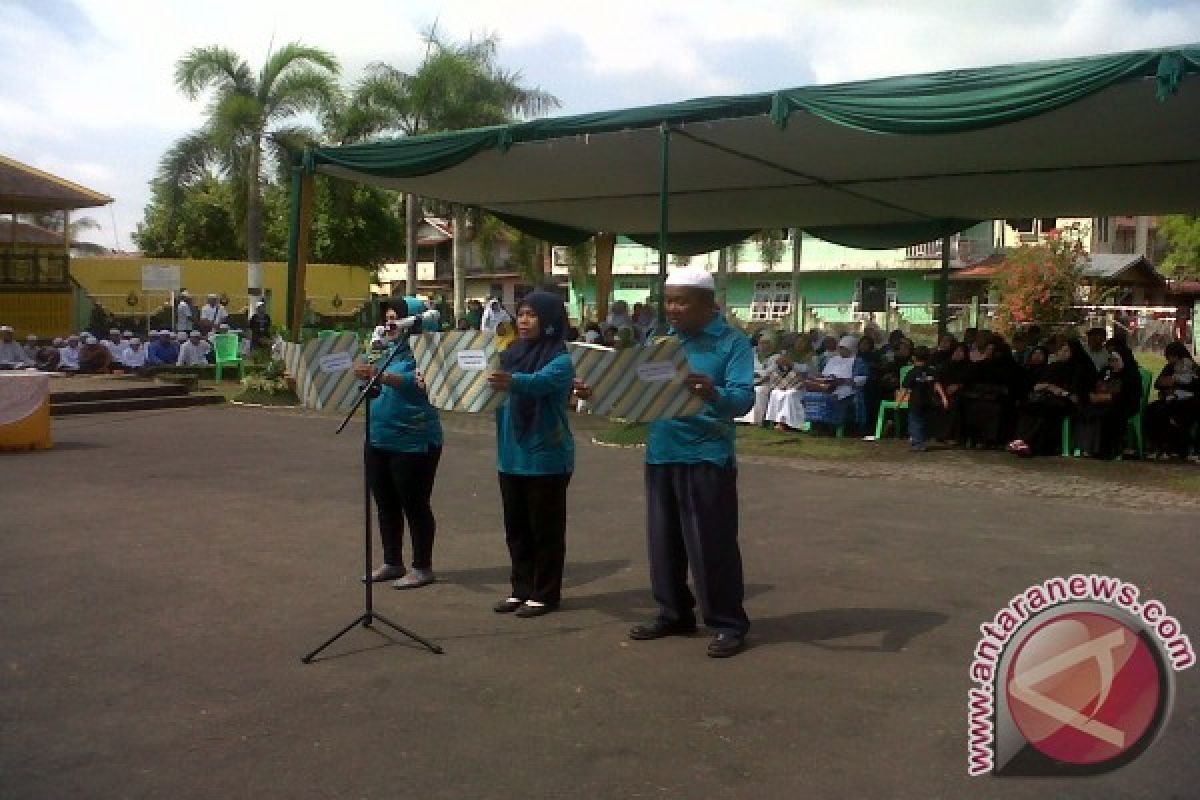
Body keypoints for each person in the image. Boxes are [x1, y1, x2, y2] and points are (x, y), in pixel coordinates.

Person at [585, 266, 753, 658]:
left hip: (707, 454)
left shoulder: (732, 344)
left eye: (682, 301)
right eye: (669, 301)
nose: (673, 309)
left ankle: (728, 622)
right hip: (662, 451)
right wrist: (596, 390)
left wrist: (714, 393)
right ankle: (674, 612)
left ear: (708, 304)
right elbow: (634, 393)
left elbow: (744, 399)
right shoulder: (662, 341)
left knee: (711, 544)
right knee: (664, 542)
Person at [486, 291, 575, 618]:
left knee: (545, 531)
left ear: (550, 321)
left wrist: (511, 381)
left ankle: (545, 593)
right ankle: (520, 589)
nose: (523, 321)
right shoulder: (508, 354)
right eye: (520, 314)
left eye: (532, 315)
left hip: (546, 458)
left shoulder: (561, 360)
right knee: (517, 530)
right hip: (510, 456)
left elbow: (538, 383)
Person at [354, 296, 443, 589]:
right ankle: (392, 562)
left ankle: (422, 567)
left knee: (414, 504)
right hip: (379, 437)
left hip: (414, 441)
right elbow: (369, 381)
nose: (390, 324)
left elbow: (417, 385)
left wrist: (381, 375)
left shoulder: (428, 352)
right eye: (387, 318)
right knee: (385, 503)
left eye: (396, 318)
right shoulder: (382, 350)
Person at [1006, 339, 1095, 457]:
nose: (1061, 353)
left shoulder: (1080, 368)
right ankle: (1023, 442)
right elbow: (1037, 386)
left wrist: (1059, 391)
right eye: (1060, 350)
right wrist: (1049, 387)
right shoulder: (1053, 366)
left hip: (1067, 403)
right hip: (1047, 399)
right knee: (1029, 408)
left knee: (1045, 411)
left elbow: (1077, 393)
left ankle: (1027, 442)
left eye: (1066, 350)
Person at [1073, 350, 1140, 459]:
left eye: (1115, 360)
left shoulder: (1131, 374)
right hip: (1101, 402)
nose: (1112, 363)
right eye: (1110, 360)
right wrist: (1092, 395)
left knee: (1107, 415)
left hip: (1122, 405)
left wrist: (1107, 398)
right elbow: (1093, 384)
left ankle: (1105, 449)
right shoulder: (1106, 371)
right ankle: (1087, 447)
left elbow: (1128, 397)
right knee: (1085, 412)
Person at [1144, 341, 1198, 460]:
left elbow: (1194, 386)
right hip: (1169, 399)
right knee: (1151, 410)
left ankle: (1178, 447)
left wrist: (1175, 384)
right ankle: (1157, 445)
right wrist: (1168, 386)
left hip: (1189, 402)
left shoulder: (1191, 367)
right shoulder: (1169, 367)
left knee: (1171, 415)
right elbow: (1158, 383)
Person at [900, 346, 944, 451]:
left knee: (914, 422)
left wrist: (899, 402)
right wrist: (943, 398)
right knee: (923, 422)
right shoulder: (932, 371)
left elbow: (905, 389)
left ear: (914, 358)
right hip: (928, 401)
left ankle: (918, 443)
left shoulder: (911, 373)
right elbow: (937, 385)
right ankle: (921, 441)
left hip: (915, 402)